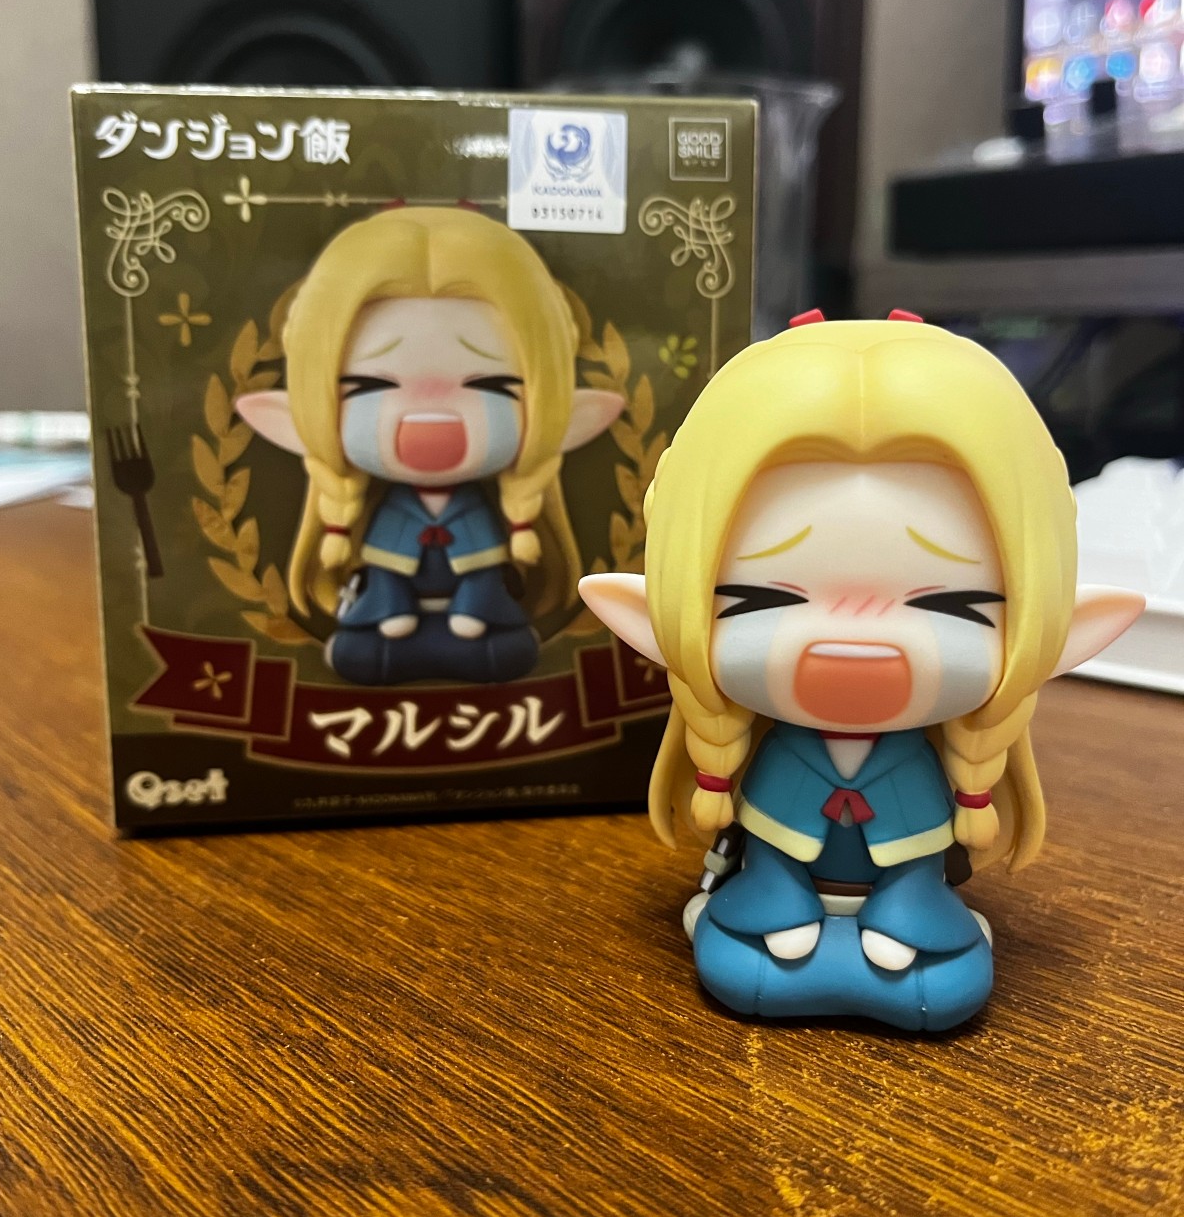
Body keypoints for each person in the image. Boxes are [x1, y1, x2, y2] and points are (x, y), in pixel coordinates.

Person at [579, 312, 1143, 1030]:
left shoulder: (922, 763)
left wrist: (908, 908)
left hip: (904, 906)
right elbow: (768, 843)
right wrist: (777, 897)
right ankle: (774, 923)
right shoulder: (779, 755)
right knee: (760, 935)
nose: (853, 647)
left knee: (936, 967)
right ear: (653, 615)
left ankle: (912, 930)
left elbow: (920, 858)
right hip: (777, 898)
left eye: (951, 605)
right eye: (759, 600)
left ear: (1063, 630)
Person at [239, 205, 622, 685]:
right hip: (395, 622)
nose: (430, 421)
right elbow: (383, 574)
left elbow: (485, 575)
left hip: (471, 620)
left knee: (510, 649)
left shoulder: (477, 508)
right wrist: (391, 609)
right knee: (360, 650)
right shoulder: (390, 509)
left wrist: (473, 611)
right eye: (369, 385)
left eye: (493, 385)